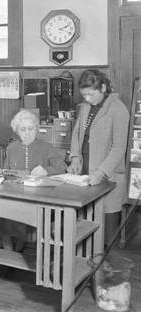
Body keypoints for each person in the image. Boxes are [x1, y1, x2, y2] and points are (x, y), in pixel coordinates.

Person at [0, 109, 67, 279]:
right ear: (17, 131)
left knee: (24, 219)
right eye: (23, 129)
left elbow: (62, 167)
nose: (27, 133)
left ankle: (16, 253)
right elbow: (5, 172)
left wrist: (46, 171)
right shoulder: (11, 148)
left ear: (36, 128)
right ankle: (8, 258)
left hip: (37, 198)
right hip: (14, 195)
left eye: (30, 129)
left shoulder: (45, 147)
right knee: (0, 214)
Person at [67, 69, 129, 244]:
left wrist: (100, 173)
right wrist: (75, 158)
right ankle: (86, 265)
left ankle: (102, 267)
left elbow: (118, 148)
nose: (87, 99)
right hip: (85, 173)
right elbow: (77, 133)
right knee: (84, 227)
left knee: (105, 232)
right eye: (84, 95)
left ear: (103, 88)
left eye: (91, 95)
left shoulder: (118, 109)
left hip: (106, 176)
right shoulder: (86, 106)